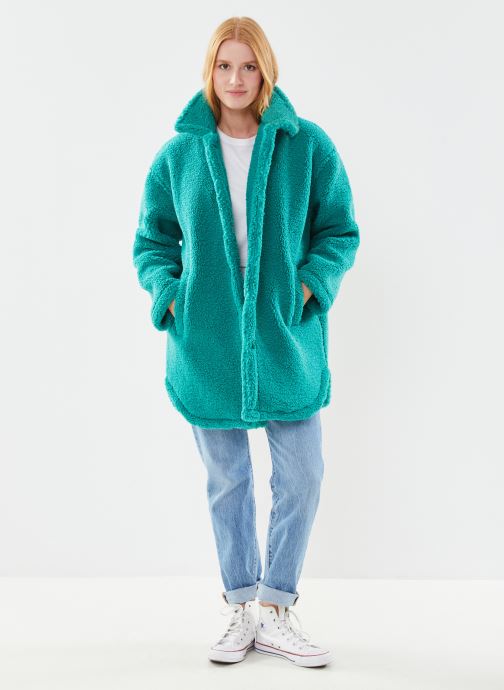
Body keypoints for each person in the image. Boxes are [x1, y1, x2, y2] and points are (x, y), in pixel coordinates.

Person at [132, 16, 360, 668]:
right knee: (227, 479)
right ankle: (239, 607)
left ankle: (276, 608)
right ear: (210, 71)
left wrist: (310, 286)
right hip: (206, 342)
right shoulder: (179, 155)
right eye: (225, 65)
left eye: (249, 66)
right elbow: (152, 241)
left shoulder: (306, 147)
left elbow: (338, 230)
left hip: (285, 335)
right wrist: (170, 295)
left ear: (266, 70)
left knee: (303, 473)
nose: (237, 79)